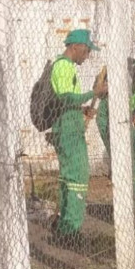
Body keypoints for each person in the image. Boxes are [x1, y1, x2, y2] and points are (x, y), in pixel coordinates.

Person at [50, 29, 106, 237]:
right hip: (68, 131)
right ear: (75, 47)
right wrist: (94, 93)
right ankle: (71, 230)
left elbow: (65, 101)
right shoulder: (63, 66)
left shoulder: (66, 66)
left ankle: (64, 227)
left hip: (69, 126)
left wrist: (81, 109)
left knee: (69, 178)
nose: (88, 55)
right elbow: (65, 98)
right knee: (78, 178)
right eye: (87, 50)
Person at [96, 57, 135, 225]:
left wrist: (134, 111)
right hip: (108, 120)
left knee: (132, 165)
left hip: (123, 119)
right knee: (127, 162)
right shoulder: (123, 82)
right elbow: (121, 118)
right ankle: (134, 206)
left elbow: (132, 103)